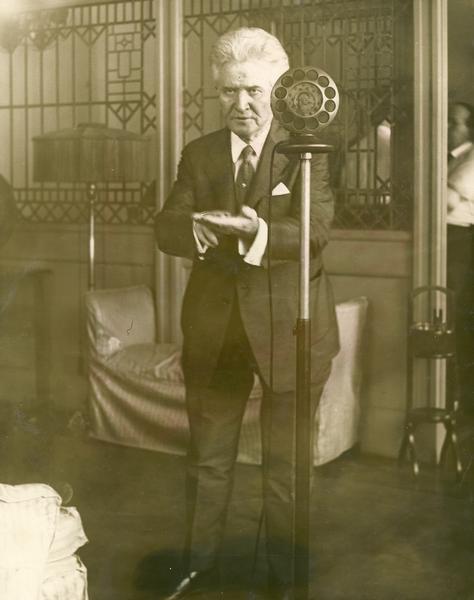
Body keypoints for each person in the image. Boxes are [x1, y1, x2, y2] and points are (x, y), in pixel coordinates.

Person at [155, 27, 339, 600]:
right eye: (230, 92)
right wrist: (194, 228)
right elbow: (166, 225)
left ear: (278, 90)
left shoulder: (306, 149)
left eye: (254, 91)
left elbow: (315, 229)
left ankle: (285, 580)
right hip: (216, 329)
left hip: (289, 324)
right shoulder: (200, 152)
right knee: (208, 462)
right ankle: (199, 568)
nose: (242, 104)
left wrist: (255, 229)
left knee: (284, 469)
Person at [447, 101, 474, 413]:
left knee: (451, 318)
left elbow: (445, 202)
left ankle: (456, 403)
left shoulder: (470, 159)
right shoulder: (454, 158)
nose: (449, 129)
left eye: (455, 123)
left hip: (458, 243)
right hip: (448, 242)